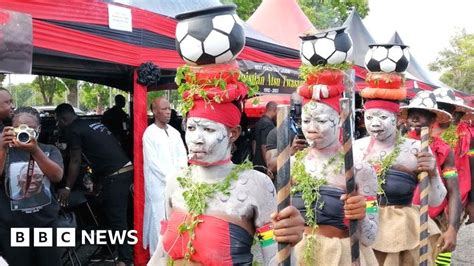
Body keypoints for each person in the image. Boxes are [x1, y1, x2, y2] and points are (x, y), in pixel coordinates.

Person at [148, 60, 305, 265]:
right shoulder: (175, 182)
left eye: (209, 130)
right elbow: (162, 252)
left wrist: (291, 241)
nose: (197, 138)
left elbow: (276, 259)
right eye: (192, 128)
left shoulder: (256, 185)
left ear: (233, 133)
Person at [354, 76, 447, 265]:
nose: (374, 124)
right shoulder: (354, 148)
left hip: (402, 232)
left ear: (397, 119)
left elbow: (437, 200)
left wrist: (433, 173)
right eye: (369, 117)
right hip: (361, 228)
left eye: (382, 117)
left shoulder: (417, 149)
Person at [289, 74, 379, 265]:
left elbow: (370, 238)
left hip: (341, 257)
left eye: (321, 121)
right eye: (306, 121)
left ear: (339, 119)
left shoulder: (360, 169)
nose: (311, 128)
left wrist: (361, 216)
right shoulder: (292, 164)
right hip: (298, 257)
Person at [55, 103, 133, 265]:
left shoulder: (73, 130)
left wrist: (68, 187)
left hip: (115, 175)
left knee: (117, 219)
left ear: (64, 119)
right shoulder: (89, 123)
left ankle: (126, 259)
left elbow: (75, 160)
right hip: (123, 171)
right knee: (105, 214)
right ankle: (108, 250)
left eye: (58, 121)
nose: (58, 125)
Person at [0, 107, 63, 266]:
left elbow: (57, 176)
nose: (25, 132)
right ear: (10, 129)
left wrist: (35, 151)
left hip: (46, 223)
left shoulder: (49, 150)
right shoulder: (5, 151)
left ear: (39, 130)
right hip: (12, 226)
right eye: (19, 128)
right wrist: (2, 148)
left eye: (30, 128)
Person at [142, 97, 187, 256]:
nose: (169, 112)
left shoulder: (174, 132)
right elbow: (153, 163)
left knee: (175, 220)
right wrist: (170, 179)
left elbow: (183, 155)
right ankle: (157, 256)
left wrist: (182, 176)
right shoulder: (149, 134)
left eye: (169, 108)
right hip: (158, 186)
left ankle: (173, 255)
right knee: (158, 220)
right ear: (154, 111)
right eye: (164, 109)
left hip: (177, 185)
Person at [432, 88, 474, 225]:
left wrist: (472, 201)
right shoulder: (420, 131)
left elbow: (472, 166)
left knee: (444, 244)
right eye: (440, 108)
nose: (444, 114)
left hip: (457, 197)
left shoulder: (466, 135)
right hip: (425, 200)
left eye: (449, 110)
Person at [252, 101, 277, 173]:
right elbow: (264, 146)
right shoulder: (268, 124)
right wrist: (269, 166)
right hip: (264, 164)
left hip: (257, 161)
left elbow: (254, 142)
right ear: (274, 110)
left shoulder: (259, 122)